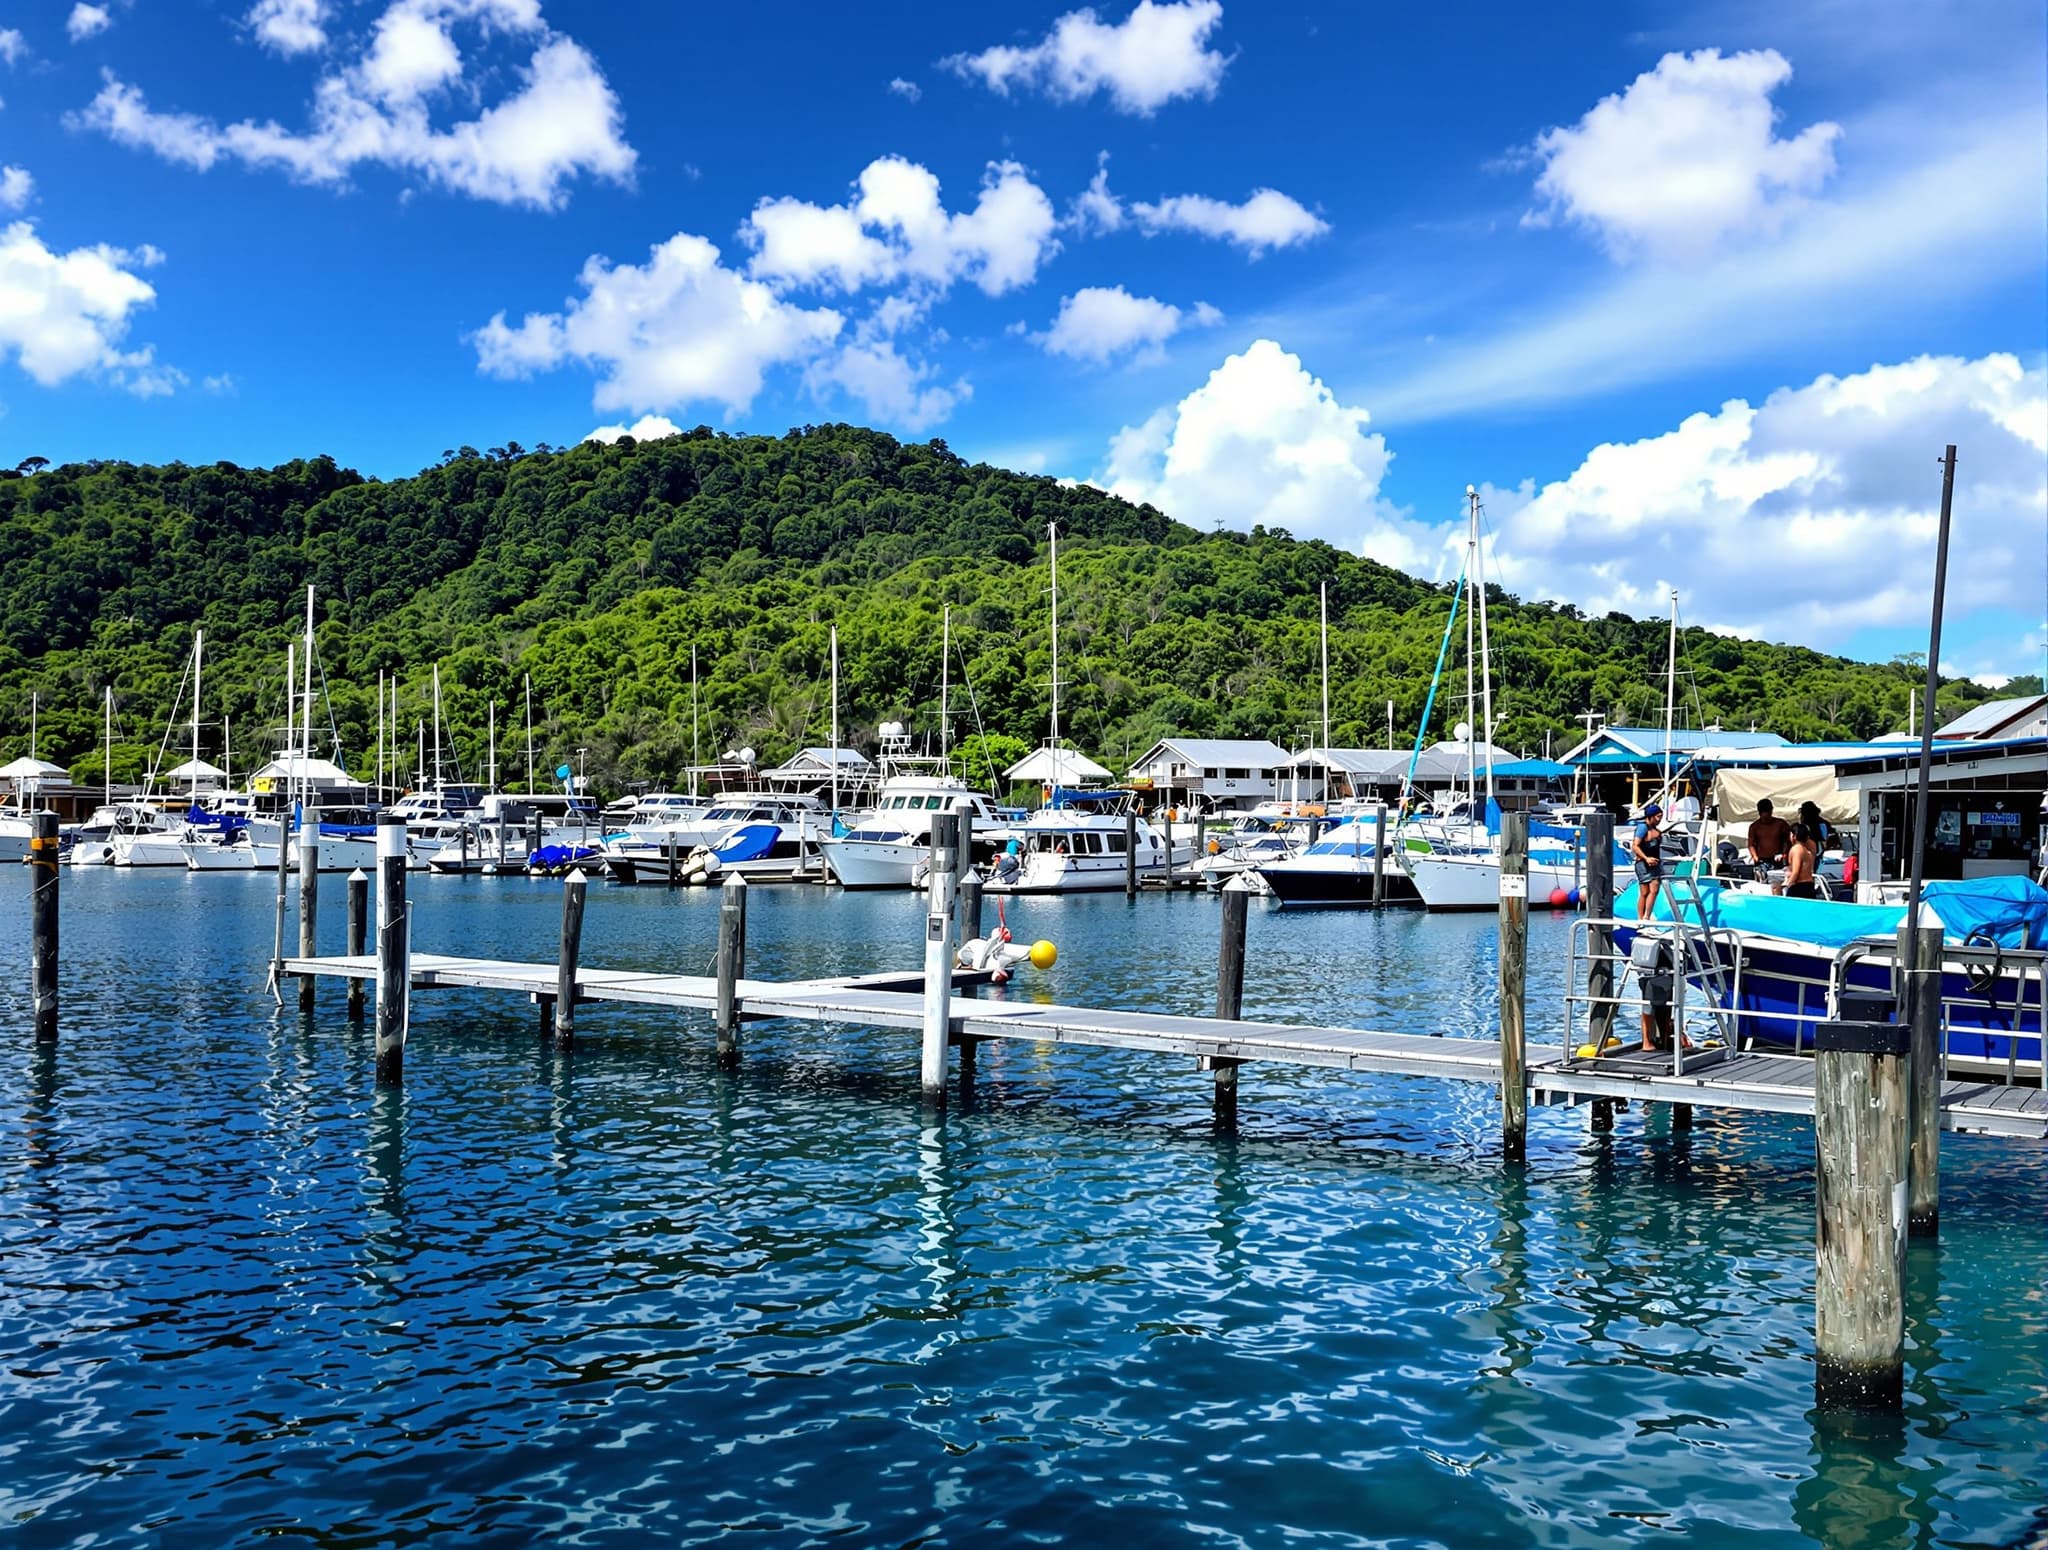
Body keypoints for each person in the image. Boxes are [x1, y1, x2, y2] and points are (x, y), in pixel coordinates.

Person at [1631, 801, 1666, 919]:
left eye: (1660, 817)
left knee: (1655, 888)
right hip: (1643, 863)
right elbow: (1635, 846)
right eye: (1658, 817)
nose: (1659, 819)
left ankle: (1647, 916)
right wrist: (1646, 858)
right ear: (1650, 817)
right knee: (1645, 892)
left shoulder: (1656, 830)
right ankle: (1641, 918)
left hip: (1655, 863)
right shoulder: (1642, 828)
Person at [1747, 798, 1792, 871]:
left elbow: (1787, 840)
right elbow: (1751, 844)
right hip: (1761, 860)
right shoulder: (1754, 827)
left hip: (1778, 859)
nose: (1765, 818)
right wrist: (1754, 856)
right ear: (1759, 813)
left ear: (1771, 811)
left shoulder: (1780, 824)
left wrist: (1784, 853)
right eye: (1763, 815)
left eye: (1767, 814)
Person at [1784, 823, 1819, 898]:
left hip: (1800, 887)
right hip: (1809, 886)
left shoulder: (1797, 849)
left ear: (1794, 836)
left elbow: (1796, 872)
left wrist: (1787, 885)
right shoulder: (1807, 850)